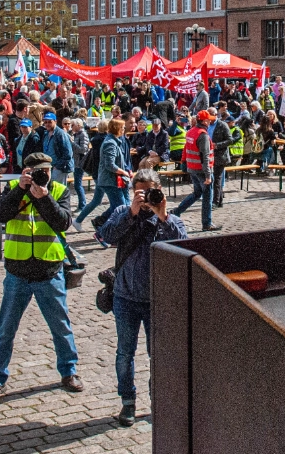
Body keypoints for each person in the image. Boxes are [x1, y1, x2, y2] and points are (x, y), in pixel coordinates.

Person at [0, 153, 82, 403]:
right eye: (34, 171)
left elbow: (63, 222)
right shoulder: (14, 188)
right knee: (5, 329)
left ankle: (69, 372)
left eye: (44, 171)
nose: (40, 175)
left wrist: (44, 197)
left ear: (50, 171)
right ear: (25, 171)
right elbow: (0, 215)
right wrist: (20, 191)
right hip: (18, 272)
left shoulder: (58, 190)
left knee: (61, 326)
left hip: (49, 270)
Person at [98, 168, 188, 426]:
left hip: (156, 300)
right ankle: (128, 402)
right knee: (124, 354)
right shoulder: (122, 213)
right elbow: (106, 235)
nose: (147, 197)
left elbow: (183, 246)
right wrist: (131, 213)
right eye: (141, 192)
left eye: (151, 191)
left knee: (156, 355)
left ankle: (157, 402)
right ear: (132, 192)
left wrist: (163, 217)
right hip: (125, 297)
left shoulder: (171, 219)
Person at [74, 118, 131, 231]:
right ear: (117, 129)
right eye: (123, 128)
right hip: (108, 180)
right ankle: (103, 230)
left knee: (118, 205)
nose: (124, 129)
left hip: (111, 179)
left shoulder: (114, 140)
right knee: (119, 207)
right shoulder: (110, 142)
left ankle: (97, 223)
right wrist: (123, 171)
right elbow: (109, 164)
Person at [170, 110, 219, 231]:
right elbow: (205, 157)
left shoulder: (190, 132)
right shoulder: (203, 135)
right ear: (204, 121)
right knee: (207, 197)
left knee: (197, 193)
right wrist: (208, 176)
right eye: (208, 119)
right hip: (202, 171)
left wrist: (184, 163)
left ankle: (177, 211)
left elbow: (186, 149)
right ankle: (206, 223)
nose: (210, 121)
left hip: (192, 168)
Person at [40, 111, 74, 187]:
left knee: (58, 191)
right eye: (45, 122)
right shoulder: (45, 134)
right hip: (48, 167)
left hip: (59, 168)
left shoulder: (60, 134)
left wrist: (57, 167)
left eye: (49, 122)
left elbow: (68, 154)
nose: (47, 124)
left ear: (55, 121)